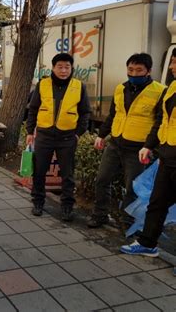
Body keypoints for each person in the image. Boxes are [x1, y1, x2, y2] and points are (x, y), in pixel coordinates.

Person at [87, 53, 166, 228]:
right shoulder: (120, 89)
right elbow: (113, 115)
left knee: (133, 188)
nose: (134, 74)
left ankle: (128, 222)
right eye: (130, 69)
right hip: (115, 144)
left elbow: (160, 122)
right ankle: (100, 215)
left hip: (138, 150)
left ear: (149, 71)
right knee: (102, 180)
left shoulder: (160, 91)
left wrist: (149, 146)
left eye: (139, 70)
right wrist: (101, 135)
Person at [120, 48, 176, 256]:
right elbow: (163, 122)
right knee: (157, 203)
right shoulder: (172, 88)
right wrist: (152, 147)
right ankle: (148, 243)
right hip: (167, 157)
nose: (171, 67)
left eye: (175, 62)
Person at [26, 53, 91, 221]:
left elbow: (85, 113)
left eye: (67, 67)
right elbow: (33, 109)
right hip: (44, 136)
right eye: (60, 67)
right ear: (53, 68)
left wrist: (78, 134)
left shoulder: (79, 86)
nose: (63, 70)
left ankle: (67, 207)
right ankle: (38, 202)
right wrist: (29, 132)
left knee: (67, 174)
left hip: (67, 137)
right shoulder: (43, 84)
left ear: (72, 68)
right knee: (39, 171)